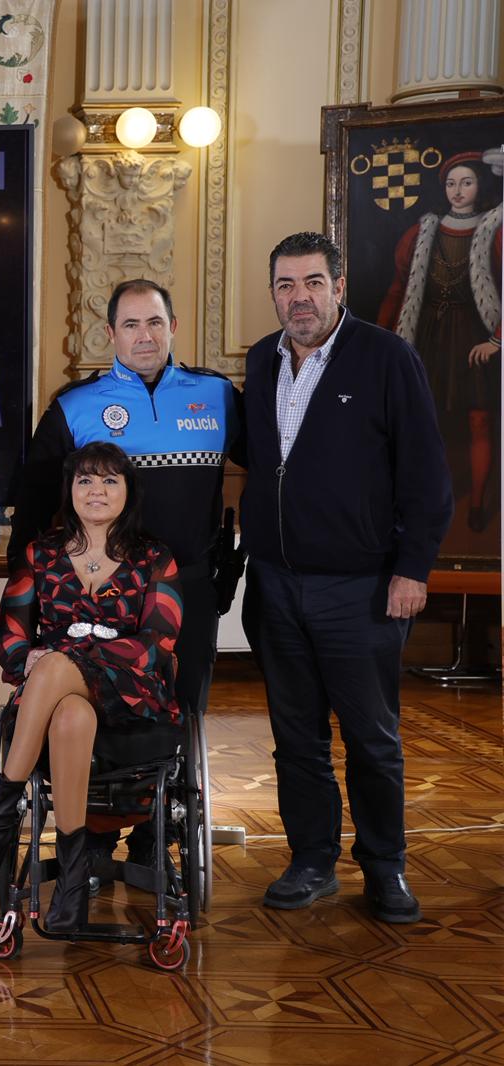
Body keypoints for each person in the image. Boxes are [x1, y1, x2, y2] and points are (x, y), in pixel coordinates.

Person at [242, 231, 452, 924]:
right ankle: (311, 861)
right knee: (296, 738)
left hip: (360, 588)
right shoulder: (261, 361)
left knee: (371, 739)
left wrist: (412, 569)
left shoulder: (387, 358)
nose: (298, 298)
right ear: (274, 294)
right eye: (285, 285)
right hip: (276, 586)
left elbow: (427, 475)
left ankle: (386, 867)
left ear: (338, 287)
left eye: (312, 283)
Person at [8, 279, 240, 871]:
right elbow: (35, 508)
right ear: (110, 333)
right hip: (97, 593)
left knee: (177, 712)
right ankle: (91, 842)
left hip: (187, 588)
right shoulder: (75, 406)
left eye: (155, 322)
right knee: (95, 711)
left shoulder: (217, 396)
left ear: (173, 327)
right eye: (131, 324)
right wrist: (24, 602)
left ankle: (153, 842)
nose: (145, 336)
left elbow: (277, 466)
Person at [0, 441, 183, 931]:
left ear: (128, 491)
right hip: (53, 703)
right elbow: (10, 638)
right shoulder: (40, 554)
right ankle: (73, 880)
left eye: (109, 480)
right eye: (85, 480)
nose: (96, 490)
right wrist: (31, 658)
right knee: (71, 712)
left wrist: (70, 655)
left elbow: (158, 644)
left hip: (132, 696)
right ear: (70, 489)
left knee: (57, 662)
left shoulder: (155, 557)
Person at [377, 150, 501, 534]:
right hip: (428, 335)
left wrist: (497, 339)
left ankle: (476, 504)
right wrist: (380, 338)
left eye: (466, 182)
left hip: (474, 339)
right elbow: (398, 290)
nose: (457, 190)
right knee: (425, 422)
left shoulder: (496, 229)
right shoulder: (422, 232)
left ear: (480, 185)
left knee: (479, 422)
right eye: (451, 183)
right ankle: (427, 504)